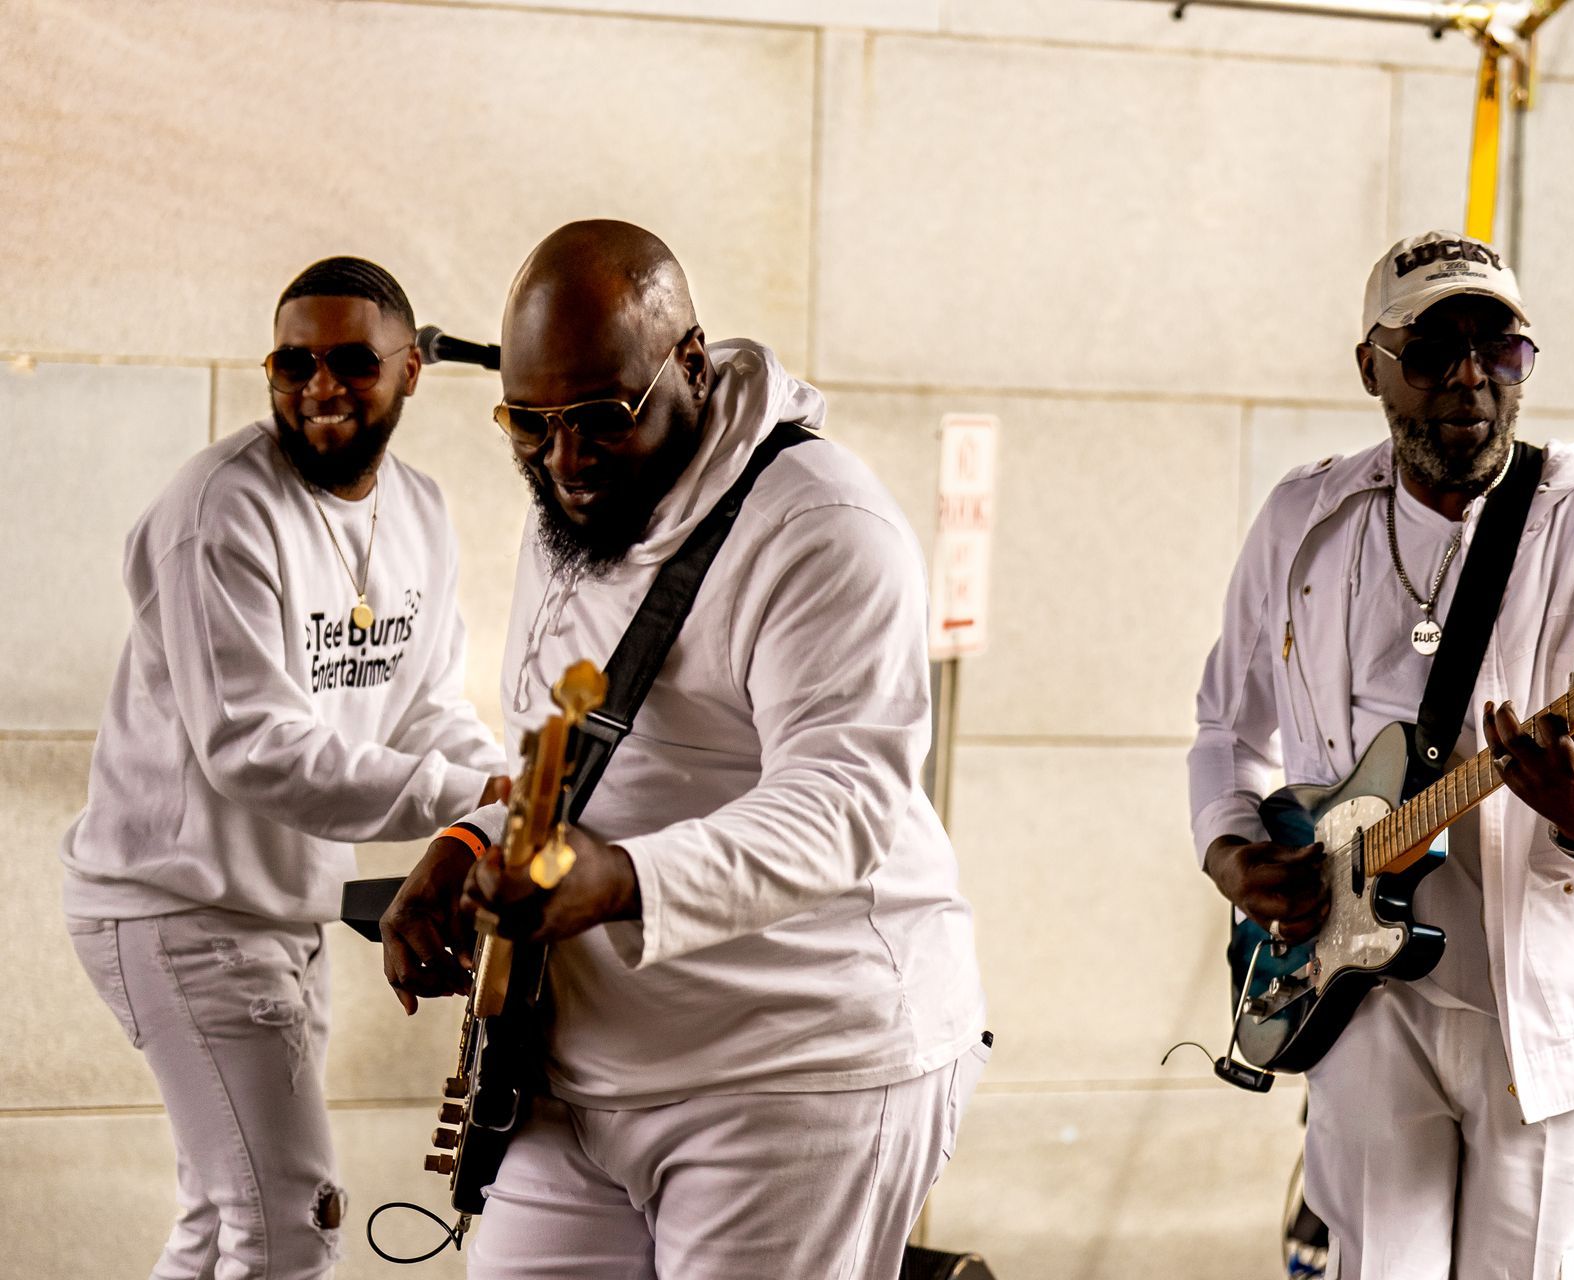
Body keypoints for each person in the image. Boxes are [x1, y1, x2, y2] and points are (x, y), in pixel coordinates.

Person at [381, 220, 988, 1279]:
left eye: (602, 418)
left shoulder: (823, 525)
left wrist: (618, 877)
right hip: (576, 1065)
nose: (565, 460)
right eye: (530, 423)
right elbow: (563, 754)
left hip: (794, 1070)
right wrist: (469, 838)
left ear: (691, 365)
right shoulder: (572, 512)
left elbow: (844, 800)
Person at [1188, 230, 1574, 1278]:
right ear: (1371, 366)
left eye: (1498, 348)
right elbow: (1229, 726)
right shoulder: (1302, 518)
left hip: (1540, 1007)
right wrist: (1234, 851)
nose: (1468, 376)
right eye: (1432, 347)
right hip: (1360, 980)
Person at [60, 256, 510, 1278]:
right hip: (175, 908)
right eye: (293, 360)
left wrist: (500, 798)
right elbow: (250, 745)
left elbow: (428, 703)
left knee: (225, 1220)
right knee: (293, 1222)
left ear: (410, 371)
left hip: (277, 910)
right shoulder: (219, 509)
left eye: (353, 359)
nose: (320, 384)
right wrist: (467, 795)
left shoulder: (423, 513)